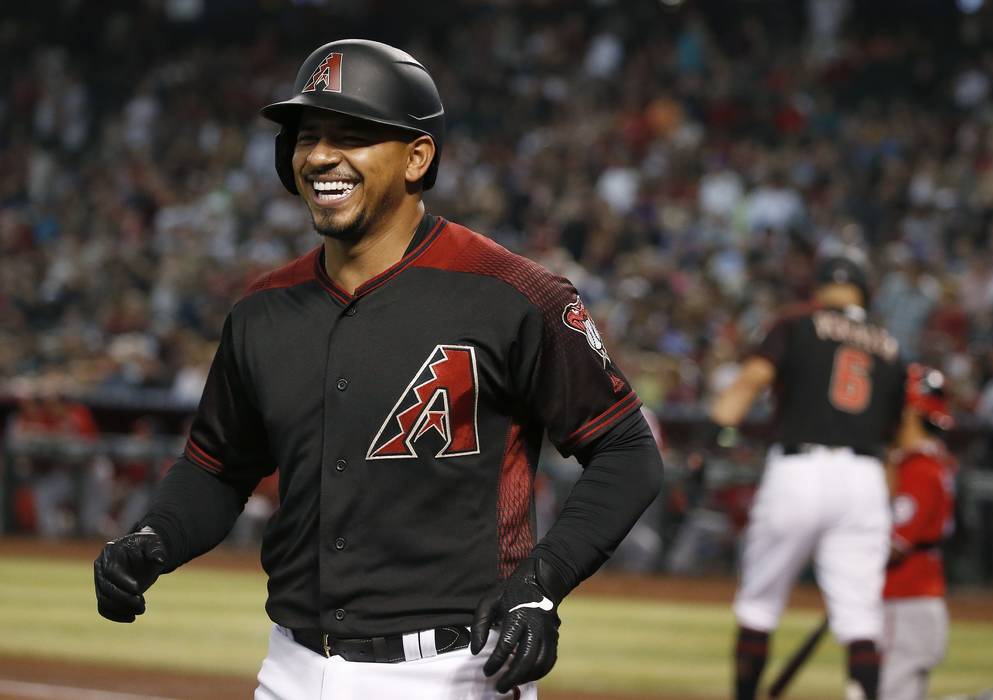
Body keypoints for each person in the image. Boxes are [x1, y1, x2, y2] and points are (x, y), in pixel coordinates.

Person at [92, 39, 662, 700]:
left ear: (418, 157)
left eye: (352, 136)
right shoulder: (262, 311)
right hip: (291, 669)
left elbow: (626, 452)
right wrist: (154, 535)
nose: (321, 156)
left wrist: (542, 582)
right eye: (308, 136)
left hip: (452, 673)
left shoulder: (512, 293)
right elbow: (217, 467)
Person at [705, 254, 906, 700]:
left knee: (759, 605)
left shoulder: (797, 323)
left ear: (818, 290)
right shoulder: (890, 346)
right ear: (863, 293)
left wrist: (717, 426)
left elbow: (752, 380)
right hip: (865, 477)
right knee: (860, 619)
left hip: (799, 470)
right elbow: (901, 436)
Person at [880, 364, 956, 700]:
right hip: (913, 602)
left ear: (910, 411)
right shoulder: (925, 463)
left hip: (906, 601)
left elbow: (893, 546)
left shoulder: (919, 470)